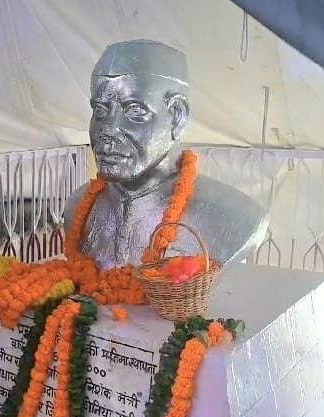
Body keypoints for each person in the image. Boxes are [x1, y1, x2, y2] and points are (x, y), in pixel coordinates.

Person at [64, 39, 268, 269]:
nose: (108, 129)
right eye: (100, 110)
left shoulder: (236, 217)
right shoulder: (77, 208)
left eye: (134, 110)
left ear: (177, 116)